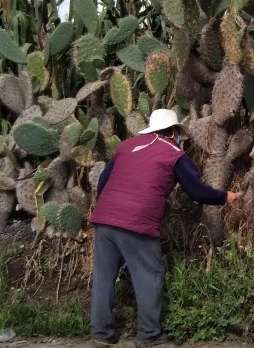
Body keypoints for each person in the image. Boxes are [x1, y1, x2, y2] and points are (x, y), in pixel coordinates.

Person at [89, 109, 238, 348]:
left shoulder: (126, 146)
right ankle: (149, 335)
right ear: (174, 132)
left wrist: (109, 207)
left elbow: (103, 181)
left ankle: (101, 333)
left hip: (105, 218)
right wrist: (224, 197)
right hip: (137, 221)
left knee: (104, 275)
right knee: (149, 274)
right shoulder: (173, 154)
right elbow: (196, 191)